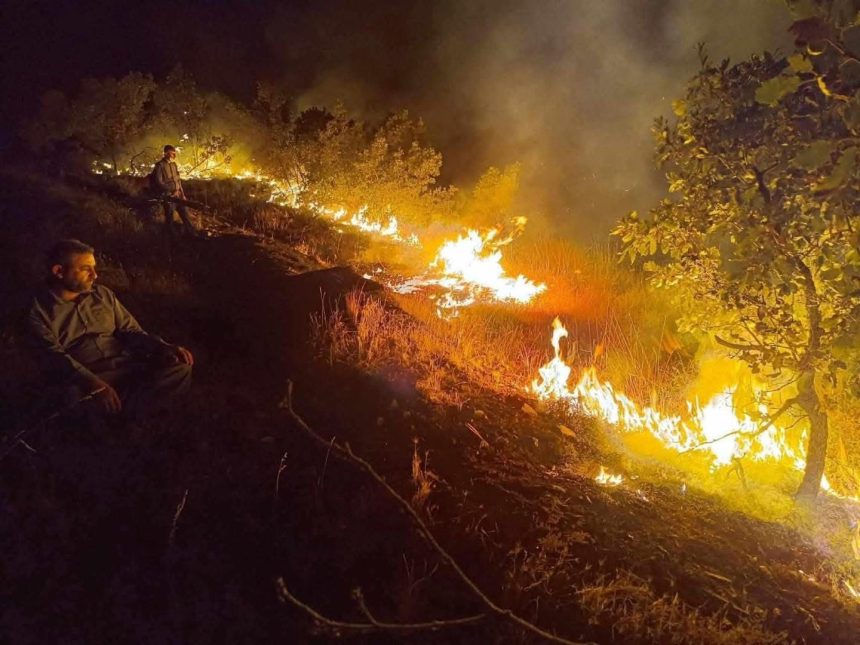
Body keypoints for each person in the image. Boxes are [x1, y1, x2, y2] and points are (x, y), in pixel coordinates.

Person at [26, 239, 193, 418]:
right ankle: (133, 417)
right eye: (85, 269)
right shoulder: (37, 311)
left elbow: (131, 331)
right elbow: (54, 356)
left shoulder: (102, 295)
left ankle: (126, 415)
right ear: (59, 271)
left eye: (94, 268)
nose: (95, 275)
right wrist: (94, 383)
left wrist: (164, 346)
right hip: (87, 376)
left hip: (126, 364)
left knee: (179, 366)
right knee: (71, 396)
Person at [151, 144, 198, 236]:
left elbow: (178, 180)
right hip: (169, 197)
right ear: (166, 153)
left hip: (178, 196)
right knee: (170, 219)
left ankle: (193, 234)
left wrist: (182, 194)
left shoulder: (174, 165)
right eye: (172, 153)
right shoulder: (159, 166)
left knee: (185, 215)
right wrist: (171, 192)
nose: (174, 156)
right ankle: (171, 239)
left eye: (174, 153)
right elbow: (158, 182)